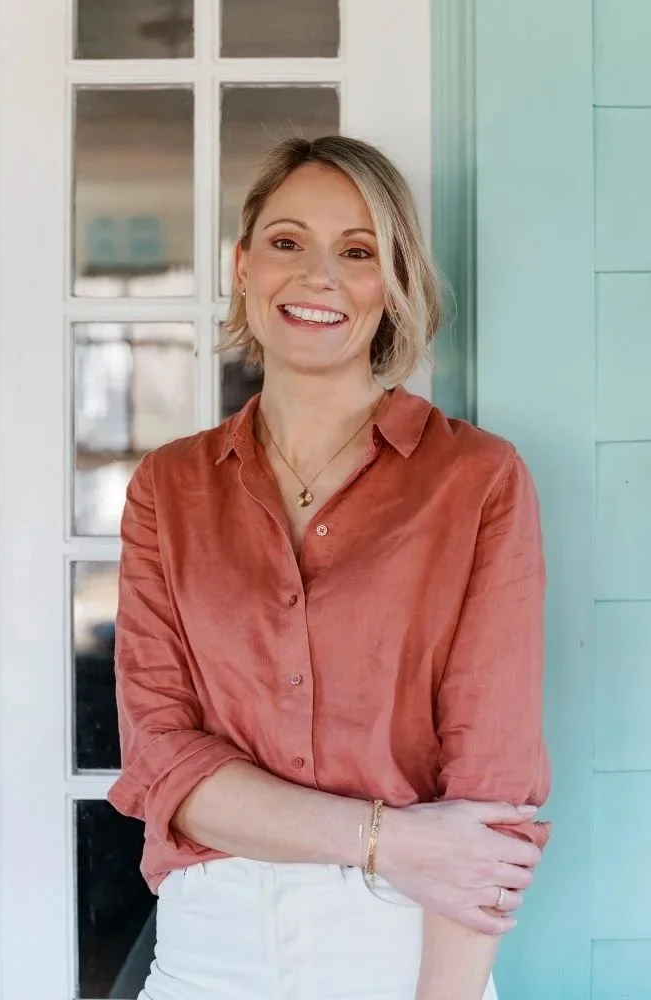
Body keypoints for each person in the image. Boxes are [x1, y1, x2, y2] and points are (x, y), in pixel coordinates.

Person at [108, 135, 551, 1000]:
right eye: (287, 243)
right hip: (209, 952)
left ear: (394, 283)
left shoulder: (476, 480)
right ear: (243, 266)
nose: (318, 276)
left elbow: (489, 805)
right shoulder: (171, 486)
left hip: (398, 948)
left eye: (357, 253)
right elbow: (165, 763)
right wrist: (392, 836)